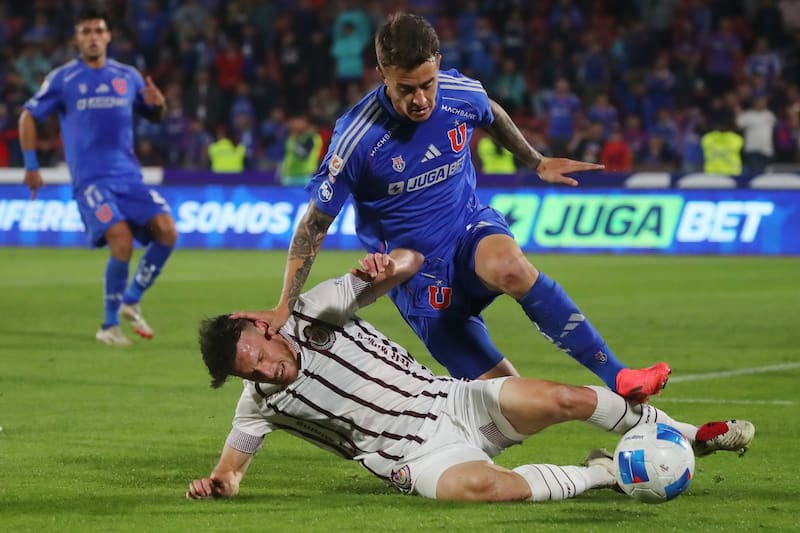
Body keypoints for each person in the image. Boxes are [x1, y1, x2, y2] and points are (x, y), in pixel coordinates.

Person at [251, 13, 670, 402]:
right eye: (405, 89)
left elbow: (491, 114)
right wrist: (285, 303)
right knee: (511, 403)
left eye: (427, 83)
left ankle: (619, 376)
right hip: (417, 277)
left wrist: (536, 161)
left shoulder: (459, 92)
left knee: (512, 268)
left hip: (468, 230)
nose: (420, 100)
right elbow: (314, 225)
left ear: (438, 62)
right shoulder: (356, 139)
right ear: (381, 76)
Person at [187, 251, 755, 502]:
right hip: (416, 459)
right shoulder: (260, 402)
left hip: (453, 402)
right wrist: (218, 485)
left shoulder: (317, 308)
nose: (268, 369)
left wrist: (387, 267)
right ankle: (609, 476)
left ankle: (684, 432)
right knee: (490, 489)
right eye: (253, 372)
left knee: (564, 397)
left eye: (259, 354)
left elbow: (409, 261)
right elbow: (231, 473)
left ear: (257, 323)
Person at [18, 7, 177, 346]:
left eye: (98, 31)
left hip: (129, 178)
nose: (92, 37)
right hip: (92, 181)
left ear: (108, 37)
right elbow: (27, 117)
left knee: (167, 230)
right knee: (120, 239)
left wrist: (159, 105)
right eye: (86, 31)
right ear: (77, 39)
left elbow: (154, 115)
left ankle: (131, 300)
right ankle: (108, 326)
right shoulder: (64, 79)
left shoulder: (128, 75)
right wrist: (32, 166)